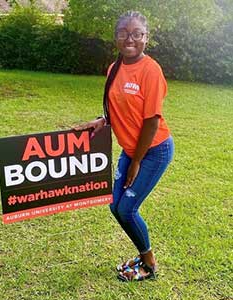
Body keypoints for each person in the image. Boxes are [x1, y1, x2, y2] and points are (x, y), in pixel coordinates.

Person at [75, 11, 174, 282]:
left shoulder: (150, 70)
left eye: (136, 34)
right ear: (116, 37)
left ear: (146, 38)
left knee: (127, 209)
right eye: (123, 33)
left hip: (153, 151)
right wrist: (102, 120)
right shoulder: (114, 67)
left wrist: (136, 161)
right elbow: (118, 107)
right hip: (131, 151)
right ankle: (142, 257)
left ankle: (149, 264)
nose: (129, 39)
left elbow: (151, 122)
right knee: (114, 205)